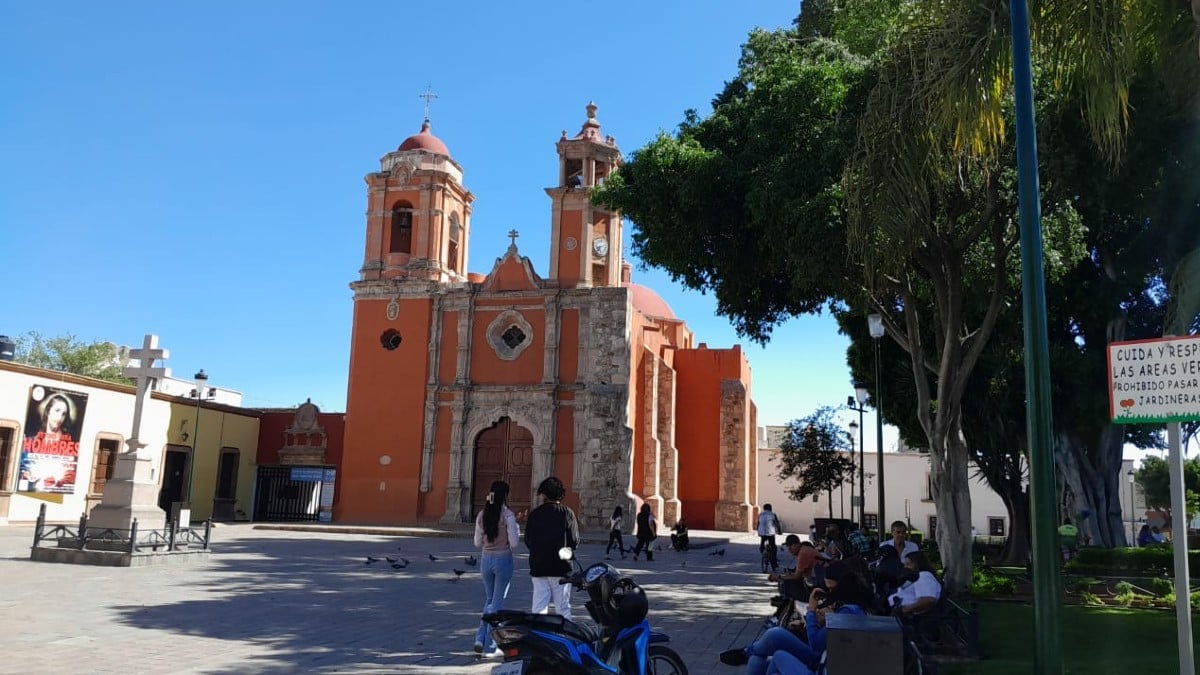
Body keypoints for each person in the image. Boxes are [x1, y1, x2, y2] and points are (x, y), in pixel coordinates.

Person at [720, 560, 871, 674]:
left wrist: (811, 612)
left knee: (777, 654)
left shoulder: (849, 613)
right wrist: (821, 622)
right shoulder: (848, 607)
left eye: (832, 589)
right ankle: (748, 652)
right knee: (765, 650)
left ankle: (748, 652)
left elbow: (816, 644)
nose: (831, 593)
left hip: (823, 665)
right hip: (822, 659)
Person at [473, 480, 520, 656]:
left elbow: (477, 542)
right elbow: (514, 543)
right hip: (503, 560)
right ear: (505, 496)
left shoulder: (481, 515)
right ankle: (493, 644)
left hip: (486, 560)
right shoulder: (508, 516)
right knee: (497, 603)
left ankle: (479, 638)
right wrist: (515, 529)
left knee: (490, 600)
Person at [525, 476, 579, 620]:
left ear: (544, 495)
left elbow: (528, 540)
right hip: (561, 568)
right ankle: (566, 638)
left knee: (538, 609)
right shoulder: (567, 513)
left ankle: (538, 638)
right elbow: (574, 541)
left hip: (539, 567)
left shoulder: (535, 514)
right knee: (563, 609)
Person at [888, 551, 942, 616]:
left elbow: (928, 599)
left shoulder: (923, 576)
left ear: (917, 564)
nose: (905, 567)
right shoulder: (915, 577)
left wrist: (904, 609)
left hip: (908, 618)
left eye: (908, 564)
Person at [758, 504, 783, 570]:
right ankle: (774, 563)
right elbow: (776, 523)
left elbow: (758, 523)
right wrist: (779, 531)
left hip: (762, 533)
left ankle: (762, 551)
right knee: (773, 547)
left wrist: (758, 531)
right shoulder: (773, 514)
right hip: (770, 533)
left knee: (762, 542)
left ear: (764, 508)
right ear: (770, 508)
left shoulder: (760, 514)